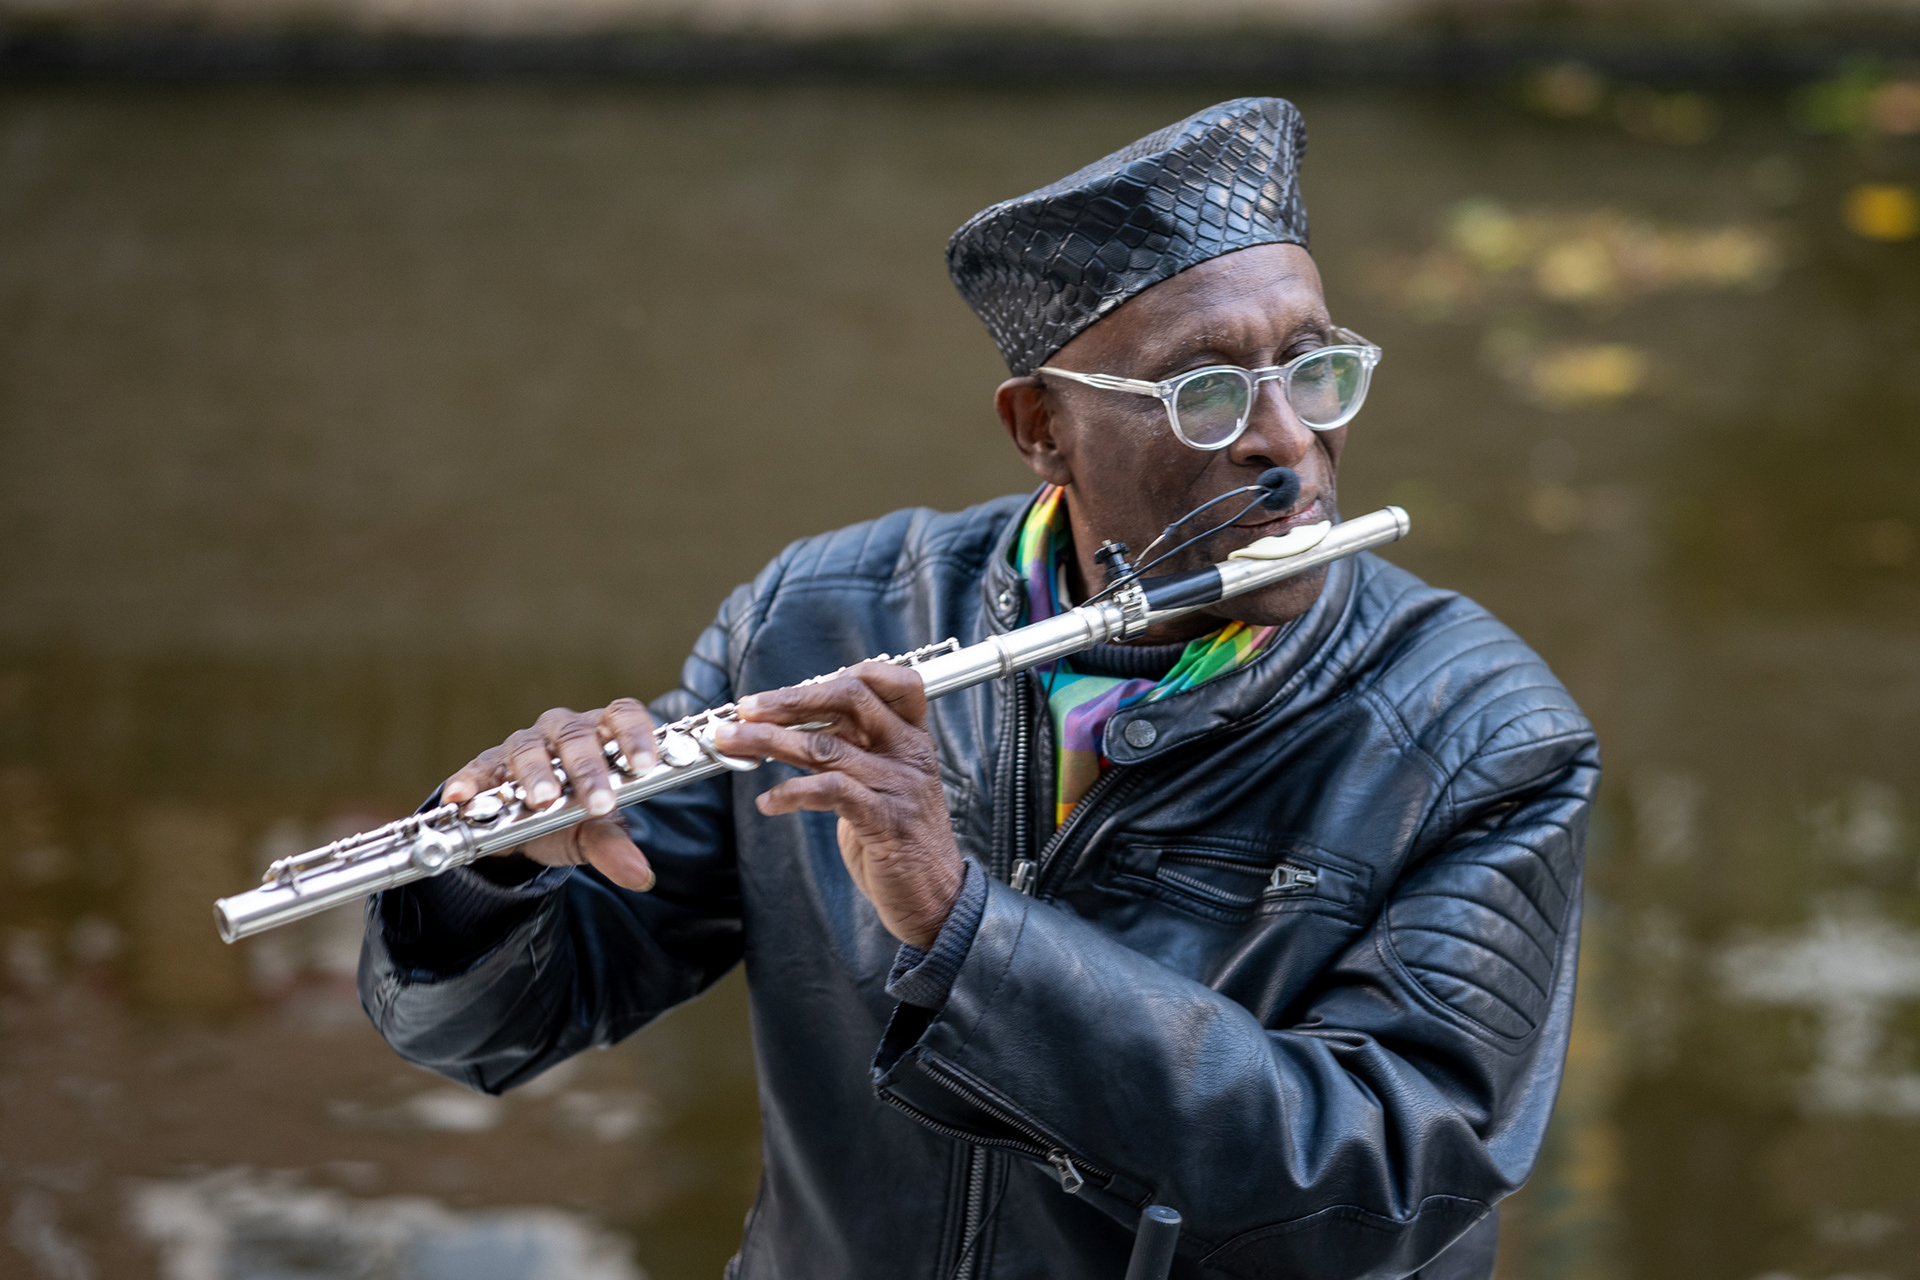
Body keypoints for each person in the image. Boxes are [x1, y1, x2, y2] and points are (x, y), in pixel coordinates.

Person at [360, 98, 1598, 1280]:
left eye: (1313, 368)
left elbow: (1380, 1196)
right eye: (1206, 393)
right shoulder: (824, 616)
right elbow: (504, 1026)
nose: (1287, 442)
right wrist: (489, 872)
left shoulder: (1483, 736)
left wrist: (964, 926)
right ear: (1041, 430)